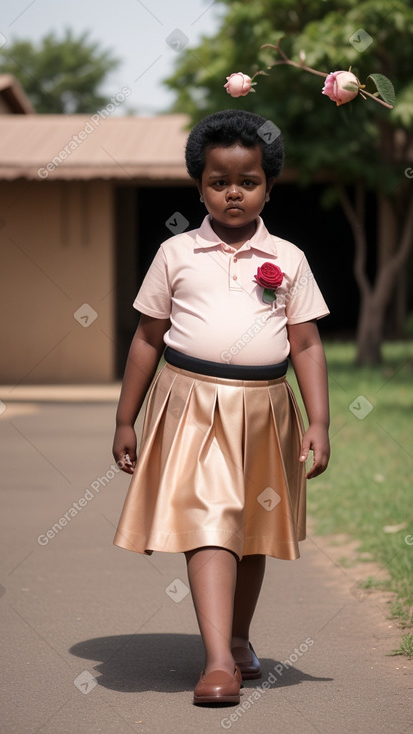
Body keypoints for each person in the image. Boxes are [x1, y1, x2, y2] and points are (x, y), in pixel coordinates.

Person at [112, 109, 330, 706]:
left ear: (269, 183)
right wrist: (125, 417)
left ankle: (237, 638)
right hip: (191, 405)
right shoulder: (175, 253)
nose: (233, 192)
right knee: (210, 521)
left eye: (249, 181)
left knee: (250, 529)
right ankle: (215, 664)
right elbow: (147, 339)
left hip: (266, 409)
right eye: (218, 181)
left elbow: (306, 343)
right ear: (199, 185)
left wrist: (320, 421)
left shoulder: (288, 259)